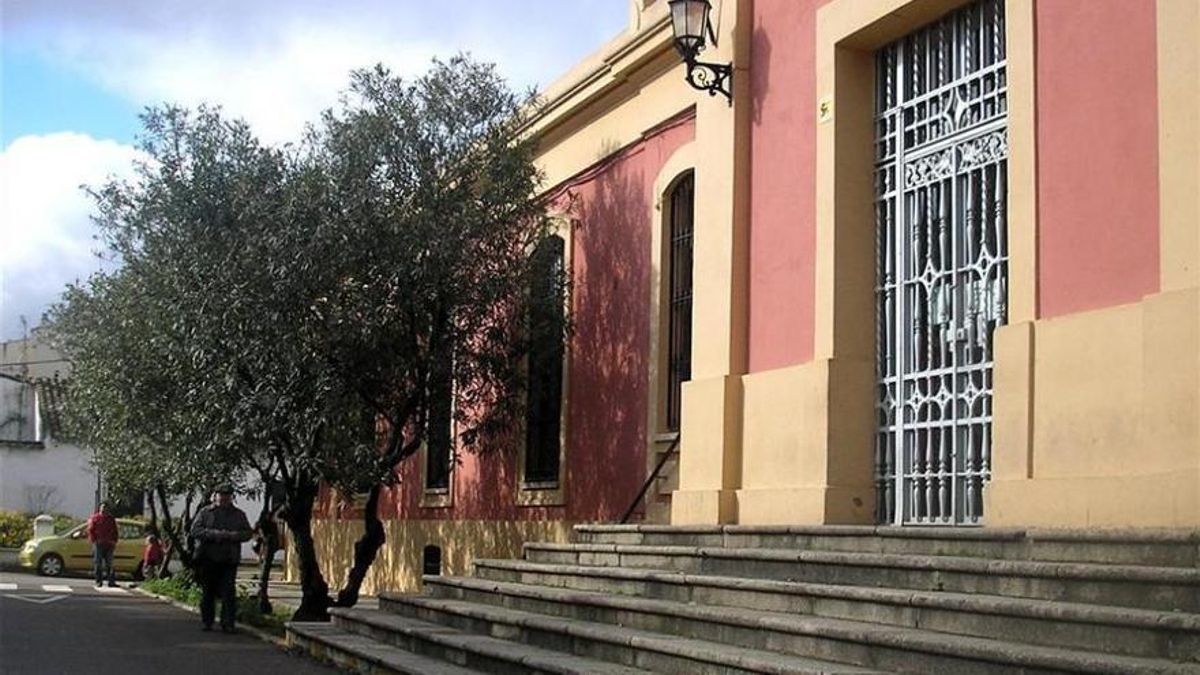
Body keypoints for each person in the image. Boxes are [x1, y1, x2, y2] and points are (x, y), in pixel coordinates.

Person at [190, 484, 253, 633]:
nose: (224, 498)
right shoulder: (206, 512)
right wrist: (214, 534)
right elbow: (195, 530)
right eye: (221, 495)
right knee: (208, 593)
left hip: (228, 559)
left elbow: (247, 533)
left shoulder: (238, 514)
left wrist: (233, 536)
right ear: (215, 496)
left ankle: (228, 623)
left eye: (227, 495)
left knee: (228, 593)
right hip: (208, 558)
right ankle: (207, 621)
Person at [85, 501, 118, 588]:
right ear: (99, 508)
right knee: (98, 563)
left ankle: (111, 581)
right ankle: (98, 581)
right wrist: (94, 540)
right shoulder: (95, 518)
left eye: (105, 508)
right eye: (102, 507)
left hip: (109, 544)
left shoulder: (111, 519)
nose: (104, 509)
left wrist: (114, 541)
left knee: (109, 563)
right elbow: (90, 530)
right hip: (98, 543)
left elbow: (115, 530)